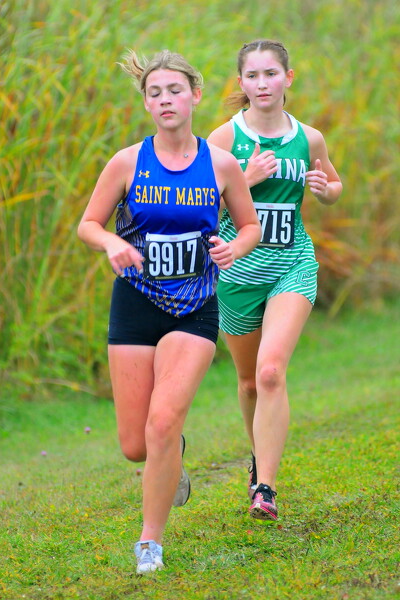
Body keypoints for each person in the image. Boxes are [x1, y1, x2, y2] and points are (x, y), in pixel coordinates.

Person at [77, 49, 261, 573]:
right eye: (154, 93)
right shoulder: (127, 162)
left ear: (195, 95)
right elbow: (88, 224)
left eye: (175, 90)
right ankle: (170, 453)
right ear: (146, 103)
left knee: (161, 422)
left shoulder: (220, 164)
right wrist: (111, 242)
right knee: (137, 445)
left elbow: (249, 226)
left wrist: (235, 247)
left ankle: (149, 543)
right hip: (135, 302)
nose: (165, 100)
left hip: (195, 307)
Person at [207, 39, 342, 521]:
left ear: (288, 77)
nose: (262, 84)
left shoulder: (310, 138)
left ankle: (265, 487)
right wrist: (245, 178)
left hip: (291, 264)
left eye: (271, 74)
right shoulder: (225, 137)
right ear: (241, 83)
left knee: (270, 372)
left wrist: (326, 190)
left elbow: (333, 183)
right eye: (252, 76)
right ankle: (257, 457)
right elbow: (198, 203)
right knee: (248, 383)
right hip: (237, 271)